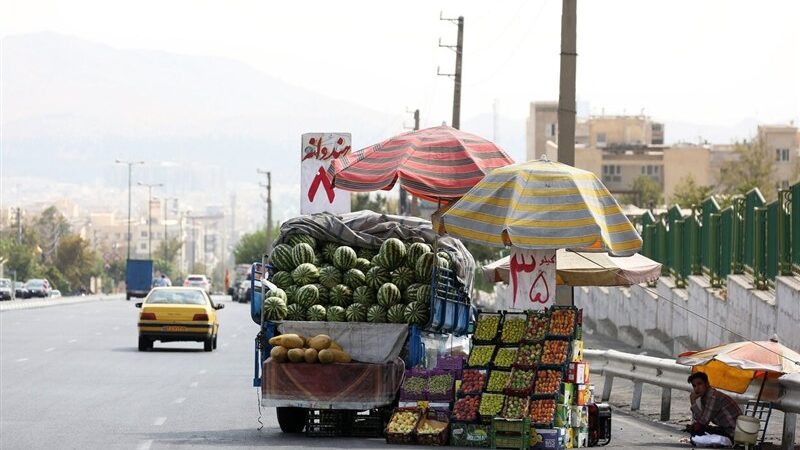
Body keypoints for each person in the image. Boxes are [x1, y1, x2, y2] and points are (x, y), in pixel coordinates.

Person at [687, 372, 741, 439]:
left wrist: (693, 403)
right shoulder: (704, 396)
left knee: (698, 431)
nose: (697, 388)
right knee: (695, 429)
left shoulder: (712, 397)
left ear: (707, 384)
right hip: (727, 429)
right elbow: (701, 419)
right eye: (694, 386)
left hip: (733, 433)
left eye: (699, 384)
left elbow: (703, 422)